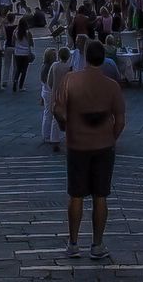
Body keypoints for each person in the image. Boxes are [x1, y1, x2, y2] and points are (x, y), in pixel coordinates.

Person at [54, 40, 126, 260]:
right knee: (100, 196)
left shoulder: (70, 80)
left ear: (85, 57)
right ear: (103, 58)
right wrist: (111, 137)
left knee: (76, 195)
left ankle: (73, 243)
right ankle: (97, 244)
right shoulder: (112, 86)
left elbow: (58, 109)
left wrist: (65, 127)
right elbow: (121, 120)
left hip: (77, 145)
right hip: (103, 146)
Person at [48, 45, 72, 152]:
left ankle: (54, 140)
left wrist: (52, 88)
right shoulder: (70, 67)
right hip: (67, 94)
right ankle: (70, 140)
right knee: (69, 118)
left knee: (55, 118)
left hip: (55, 93)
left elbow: (49, 80)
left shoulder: (54, 65)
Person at [40, 47, 58, 143]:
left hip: (45, 92)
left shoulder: (44, 66)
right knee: (49, 114)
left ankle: (47, 134)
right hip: (49, 92)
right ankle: (47, 135)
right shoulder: (50, 67)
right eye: (54, 55)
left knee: (47, 114)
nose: (56, 57)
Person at [13, 17, 35, 92]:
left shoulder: (15, 32)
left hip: (17, 52)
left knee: (18, 69)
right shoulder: (28, 33)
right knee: (24, 70)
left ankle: (15, 81)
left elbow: (13, 42)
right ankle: (21, 86)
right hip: (25, 53)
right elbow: (31, 43)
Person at [2, 13, 16, 88]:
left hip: (8, 46)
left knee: (6, 65)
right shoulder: (16, 27)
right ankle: (14, 79)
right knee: (15, 65)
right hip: (14, 46)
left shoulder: (5, 28)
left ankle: (5, 80)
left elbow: (4, 37)